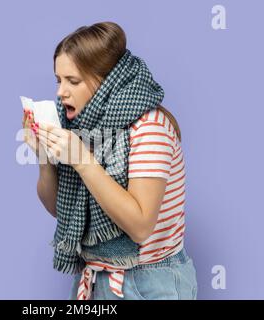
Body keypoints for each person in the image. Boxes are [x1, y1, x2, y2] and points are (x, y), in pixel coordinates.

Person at [22, 22, 197, 300]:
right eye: (58, 80)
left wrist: (81, 160)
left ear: (107, 80)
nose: (60, 92)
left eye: (73, 81)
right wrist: (45, 157)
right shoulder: (80, 127)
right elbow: (59, 209)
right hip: (93, 280)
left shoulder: (149, 127)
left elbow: (140, 226)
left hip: (148, 283)